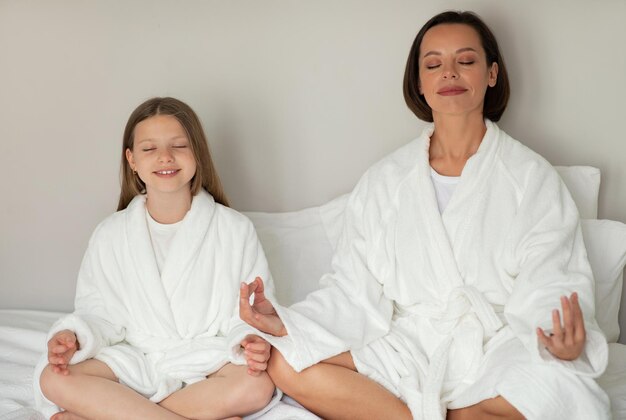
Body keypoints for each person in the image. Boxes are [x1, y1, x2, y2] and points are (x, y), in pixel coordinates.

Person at [239, 11, 610, 420]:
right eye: (433, 64)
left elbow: (550, 279)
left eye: (465, 61)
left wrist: (557, 338)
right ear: (420, 82)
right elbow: (352, 290)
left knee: (565, 391)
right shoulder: (385, 180)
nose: (449, 73)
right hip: (407, 344)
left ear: (491, 74)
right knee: (284, 361)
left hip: (496, 347)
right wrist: (288, 323)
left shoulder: (531, 177)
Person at [35, 97, 277, 420]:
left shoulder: (234, 230)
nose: (165, 157)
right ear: (132, 159)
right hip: (134, 360)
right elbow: (98, 314)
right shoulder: (110, 234)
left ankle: (118, 413)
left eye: (179, 145)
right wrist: (75, 336)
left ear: (197, 154)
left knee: (257, 386)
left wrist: (249, 341)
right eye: (149, 149)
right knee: (52, 378)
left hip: (203, 361)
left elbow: (249, 315)